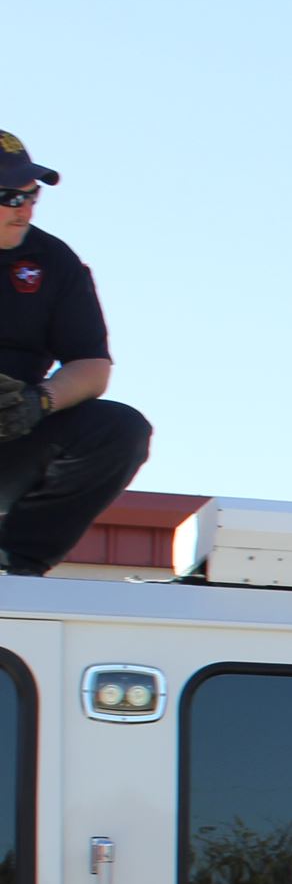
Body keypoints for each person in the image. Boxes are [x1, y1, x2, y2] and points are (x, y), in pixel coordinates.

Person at [0, 131, 151, 578]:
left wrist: (38, 401)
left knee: (119, 429)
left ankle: (16, 567)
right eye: (10, 198)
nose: (24, 209)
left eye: (32, 196)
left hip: (11, 430)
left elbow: (92, 365)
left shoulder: (53, 259)